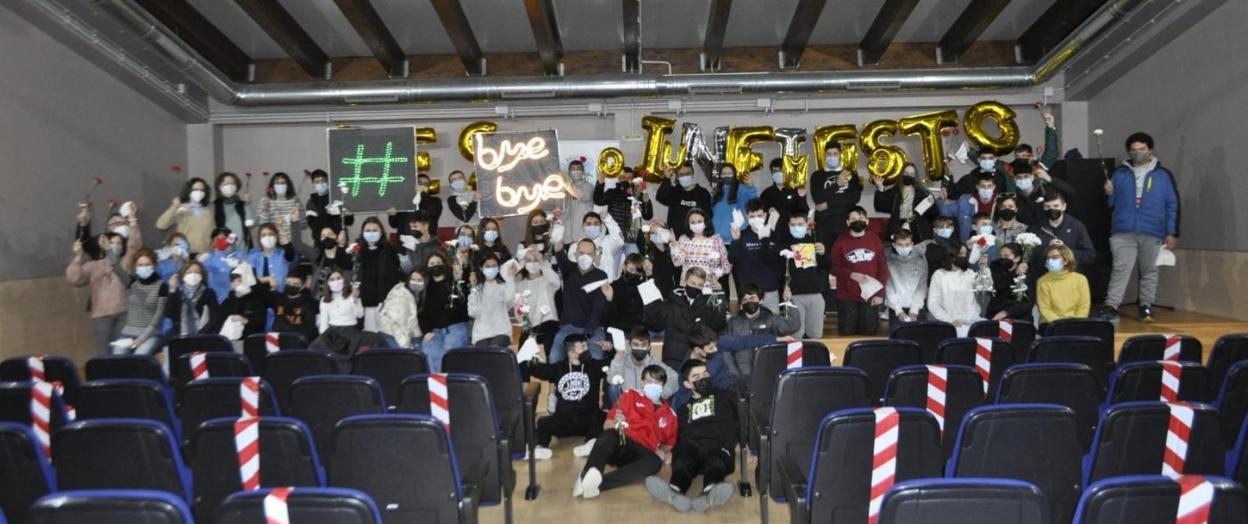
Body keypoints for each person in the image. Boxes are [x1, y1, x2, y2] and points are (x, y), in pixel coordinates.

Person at [1100, 132, 1180, 323]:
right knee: (1120, 270)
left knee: (1150, 271)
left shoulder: (1163, 175)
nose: (1138, 153)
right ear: (1128, 151)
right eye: (1134, 150)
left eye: (1142, 149)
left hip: (1152, 231)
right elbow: (1110, 204)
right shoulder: (1119, 174)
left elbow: (1172, 204)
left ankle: (1146, 306)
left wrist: (1171, 232)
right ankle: (1111, 305)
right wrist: (1108, 192)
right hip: (1122, 231)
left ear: (1150, 150)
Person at [646, 359, 737, 513]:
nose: (703, 378)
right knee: (683, 461)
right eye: (696, 377)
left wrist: (747, 447)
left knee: (715, 461)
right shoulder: (682, 409)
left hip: (718, 442)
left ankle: (710, 491)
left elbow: (743, 419)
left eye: (705, 373)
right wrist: (670, 451)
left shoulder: (726, 396)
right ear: (687, 384)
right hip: (691, 444)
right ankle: (675, 490)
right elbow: (675, 434)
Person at [575, 365, 677, 500]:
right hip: (622, 441)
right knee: (609, 435)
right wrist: (617, 423)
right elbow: (607, 425)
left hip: (641, 454)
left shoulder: (670, 415)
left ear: (663, 385)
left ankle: (599, 484)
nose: (652, 385)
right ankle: (586, 474)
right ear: (642, 382)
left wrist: (663, 451)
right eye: (648, 381)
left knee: (655, 462)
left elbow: (668, 444)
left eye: (657, 382)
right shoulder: (630, 395)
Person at [67, 206, 143, 354]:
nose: (116, 246)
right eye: (112, 243)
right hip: (101, 314)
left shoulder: (126, 261)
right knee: (103, 352)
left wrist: (133, 220)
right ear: (103, 243)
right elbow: (74, 278)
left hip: (124, 313)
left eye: (119, 243)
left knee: (122, 352)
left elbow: (135, 245)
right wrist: (77, 256)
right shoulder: (94, 265)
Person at [524, 334, 607, 461]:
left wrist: (611, 350)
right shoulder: (558, 368)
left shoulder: (594, 366)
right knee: (543, 422)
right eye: (583, 347)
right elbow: (536, 369)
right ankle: (540, 447)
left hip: (587, 421)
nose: (587, 350)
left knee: (601, 415)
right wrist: (528, 352)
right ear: (572, 353)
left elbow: (613, 366)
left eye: (586, 346)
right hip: (564, 421)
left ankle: (591, 443)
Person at [642, 266, 728, 368]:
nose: (696, 287)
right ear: (684, 281)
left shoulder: (707, 303)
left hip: (698, 359)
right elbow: (655, 325)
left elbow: (719, 325)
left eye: (700, 285)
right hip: (673, 359)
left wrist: (719, 294)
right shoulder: (671, 302)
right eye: (693, 283)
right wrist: (651, 303)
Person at [829, 207, 888, 335]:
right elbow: (833, 268)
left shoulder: (875, 240)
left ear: (867, 221)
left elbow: (883, 268)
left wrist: (880, 294)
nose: (857, 221)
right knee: (847, 332)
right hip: (846, 296)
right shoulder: (840, 241)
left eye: (861, 218)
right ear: (847, 222)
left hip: (870, 295)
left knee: (869, 331)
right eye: (853, 219)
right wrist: (851, 275)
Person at [721, 284, 801, 378]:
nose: (749, 301)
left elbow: (793, 326)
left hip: (766, 373)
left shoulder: (771, 319)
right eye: (745, 299)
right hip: (741, 374)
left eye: (752, 298)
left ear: (761, 300)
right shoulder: (733, 322)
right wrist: (733, 373)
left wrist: (789, 301)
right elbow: (725, 350)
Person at [552, 239, 610, 362]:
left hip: (593, 329)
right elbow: (559, 252)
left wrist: (587, 333)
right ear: (576, 254)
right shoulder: (568, 270)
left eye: (589, 254)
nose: (585, 257)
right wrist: (557, 238)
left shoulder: (601, 276)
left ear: (595, 256)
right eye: (582, 253)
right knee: (554, 357)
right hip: (568, 327)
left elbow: (598, 308)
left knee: (596, 358)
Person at [418, 251, 470, 372]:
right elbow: (422, 314)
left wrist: (459, 280)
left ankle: (453, 389)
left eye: (438, 263)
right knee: (431, 358)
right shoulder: (425, 288)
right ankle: (437, 390)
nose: (435, 266)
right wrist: (426, 331)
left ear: (445, 264)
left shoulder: (454, 282)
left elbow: (463, 301)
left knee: (451, 362)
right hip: (434, 332)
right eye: (432, 264)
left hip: (455, 329)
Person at [779, 213, 829, 339]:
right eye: (793, 225)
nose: (796, 227)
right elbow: (780, 271)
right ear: (788, 226)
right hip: (794, 296)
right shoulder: (784, 245)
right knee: (796, 334)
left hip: (815, 294)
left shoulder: (815, 242)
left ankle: (814, 357)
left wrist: (823, 253)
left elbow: (827, 266)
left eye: (800, 224)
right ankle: (796, 358)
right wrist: (784, 288)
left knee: (815, 334)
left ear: (807, 224)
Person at [729, 199, 783, 310]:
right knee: (748, 325)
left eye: (759, 215)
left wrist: (765, 239)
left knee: (772, 324)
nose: (756, 219)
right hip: (749, 292)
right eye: (752, 216)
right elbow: (732, 259)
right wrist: (736, 240)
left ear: (765, 215)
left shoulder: (774, 236)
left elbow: (775, 261)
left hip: (770, 290)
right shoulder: (741, 235)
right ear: (747, 217)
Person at [606, 326, 679, 407]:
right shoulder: (622, 359)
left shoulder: (653, 362)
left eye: (643, 345)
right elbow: (611, 379)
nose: (639, 348)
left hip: (647, 405)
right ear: (630, 346)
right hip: (626, 404)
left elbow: (674, 377)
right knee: (613, 386)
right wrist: (619, 356)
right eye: (636, 344)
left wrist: (662, 393)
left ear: (649, 347)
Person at [1027, 190, 1096, 276]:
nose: (1052, 209)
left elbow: (1089, 256)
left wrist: (1064, 251)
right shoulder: (1036, 228)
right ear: (1043, 208)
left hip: (1071, 278)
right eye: (1047, 206)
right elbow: (1029, 258)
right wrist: (1047, 249)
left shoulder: (1077, 226)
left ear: (1064, 206)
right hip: (1045, 279)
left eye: (1056, 206)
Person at [114, 249, 168, 355]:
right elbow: (117, 268)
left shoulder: (162, 286)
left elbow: (158, 316)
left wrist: (141, 339)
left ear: (154, 265)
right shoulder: (132, 282)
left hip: (151, 335)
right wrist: (108, 250)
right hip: (127, 334)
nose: (144, 267)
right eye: (140, 265)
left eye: (147, 264)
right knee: (117, 360)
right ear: (135, 266)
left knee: (140, 358)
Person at [810, 141, 863, 248]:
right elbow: (818, 198)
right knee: (824, 257)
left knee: (846, 255)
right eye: (829, 154)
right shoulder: (817, 175)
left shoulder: (851, 174)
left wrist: (828, 204)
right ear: (825, 155)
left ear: (840, 155)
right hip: (823, 225)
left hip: (845, 223)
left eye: (835, 154)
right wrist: (836, 184)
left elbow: (854, 198)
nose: (832, 156)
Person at [668, 325, 733, 410]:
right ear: (698, 350)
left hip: (727, 389)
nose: (716, 350)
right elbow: (680, 401)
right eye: (710, 348)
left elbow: (743, 341)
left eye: (715, 345)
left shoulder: (710, 344)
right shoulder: (686, 371)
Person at [511, 246, 560, 357]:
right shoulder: (520, 285)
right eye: (529, 260)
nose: (533, 263)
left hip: (548, 323)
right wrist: (527, 326)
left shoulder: (547, 280)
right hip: (530, 327)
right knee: (523, 355)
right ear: (524, 263)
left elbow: (556, 282)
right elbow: (518, 310)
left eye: (535, 260)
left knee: (550, 347)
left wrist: (542, 261)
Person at [354, 217, 401, 331]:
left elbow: (395, 275)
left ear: (381, 232)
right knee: (368, 338)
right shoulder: (357, 250)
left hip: (384, 302)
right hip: (364, 302)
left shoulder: (390, 249)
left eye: (375, 230)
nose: (371, 233)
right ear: (362, 232)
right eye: (368, 231)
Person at [873, 162, 939, 241]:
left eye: (912, 174)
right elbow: (881, 206)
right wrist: (880, 188)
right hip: (899, 227)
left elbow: (933, 215)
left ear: (915, 176)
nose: (909, 176)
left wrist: (931, 205)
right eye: (906, 173)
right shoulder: (894, 192)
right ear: (901, 174)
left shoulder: (924, 193)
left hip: (920, 230)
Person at [594, 167, 653, 254]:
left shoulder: (638, 194)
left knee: (634, 265)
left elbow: (648, 216)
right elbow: (598, 201)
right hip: (614, 238)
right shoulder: (612, 192)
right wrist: (600, 184)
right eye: (624, 177)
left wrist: (646, 202)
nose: (626, 180)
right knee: (612, 266)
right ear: (619, 178)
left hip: (633, 239)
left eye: (629, 178)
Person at [927, 244, 982, 337]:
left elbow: (983, 285)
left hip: (973, 319)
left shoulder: (969, 273)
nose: (964, 257)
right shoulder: (939, 275)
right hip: (953, 322)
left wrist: (984, 266)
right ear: (951, 256)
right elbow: (933, 304)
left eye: (965, 254)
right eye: (960, 254)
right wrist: (950, 320)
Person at [312, 270, 366, 359]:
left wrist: (355, 299)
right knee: (314, 349)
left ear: (344, 280)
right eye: (332, 279)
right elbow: (323, 323)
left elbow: (360, 315)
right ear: (328, 283)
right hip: (332, 332)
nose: (335, 281)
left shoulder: (351, 296)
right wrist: (323, 338)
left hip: (351, 332)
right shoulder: (324, 300)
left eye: (338, 278)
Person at [671, 208, 731, 289]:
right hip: (687, 285)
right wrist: (674, 243)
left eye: (699, 221)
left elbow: (726, 264)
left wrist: (716, 274)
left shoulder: (716, 240)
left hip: (707, 285)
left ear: (705, 222)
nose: (696, 224)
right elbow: (677, 262)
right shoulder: (684, 239)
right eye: (692, 222)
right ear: (688, 224)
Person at [467, 253, 515, 346]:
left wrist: (510, 278)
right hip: (481, 335)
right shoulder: (477, 288)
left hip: (502, 332)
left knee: (494, 349)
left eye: (494, 266)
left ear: (498, 268)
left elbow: (509, 302)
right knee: (484, 356)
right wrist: (473, 288)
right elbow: (473, 312)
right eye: (488, 266)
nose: (491, 269)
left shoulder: (503, 286)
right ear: (481, 268)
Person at [156, 177, 214, 254]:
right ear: (188, 191)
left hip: (204, 256)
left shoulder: (208, 212)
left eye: (202, 190)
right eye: (195, 190)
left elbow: (213, 235)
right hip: (185, 255)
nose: (199, 192)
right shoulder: (181, 209)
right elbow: (161, 225)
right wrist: (174, 206)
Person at [1037, 244, 1091, 327]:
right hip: (1050, 323)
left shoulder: (1080, 279)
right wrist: (1060, 324)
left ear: (1066, 260)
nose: (1051, 260)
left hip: (1076, 323)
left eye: (1055, 257)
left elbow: (1083, 307)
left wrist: (1075, 323)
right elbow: (1045, 309)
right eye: (1048, 258)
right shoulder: (1042, 281)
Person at [656, 161, 713, 238]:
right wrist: (667, 178)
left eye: (687, 173)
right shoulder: (674, 191)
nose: (684, 176)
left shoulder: (703, 193)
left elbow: (708, 216)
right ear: (677, 177)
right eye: (681, 174)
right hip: (675, 239)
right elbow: (660, 197)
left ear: (692, 175)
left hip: (696, 239)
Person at [1010, 160, 1075, 226]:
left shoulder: (1045, 191)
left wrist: (1050, 179)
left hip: (1048, 230)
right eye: (1019, 177)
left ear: (1032, 177)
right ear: (1014, 180)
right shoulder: (1014, 198)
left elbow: (1070, 192)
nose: (1022, 180)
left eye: (1026, 176)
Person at [709, 164, 757, 253]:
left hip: (736, 238)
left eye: (729, 173)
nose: (726, 175)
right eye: (724, 173)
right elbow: (713, 213)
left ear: (734, 174)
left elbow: (753, 200)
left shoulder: (742, 188)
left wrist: (751, 186)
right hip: (718, 240)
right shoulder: (716, 192)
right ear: (720, 176)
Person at [939, 171, 998, 242]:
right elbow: (946, 213)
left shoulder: (1000, 203)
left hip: (991, 245)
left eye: (989, 186)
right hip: (967, 244)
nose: (986, 189)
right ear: (977, 187)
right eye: (983, 186)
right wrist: (944, 200)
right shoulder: (965, 200)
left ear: (994, 187)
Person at [166, 261, 220, 337]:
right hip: (179, 335)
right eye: (189, 272)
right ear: (183, 276)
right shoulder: (177, 293)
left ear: (202, 276)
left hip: (203, 335)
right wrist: (172, 290)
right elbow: (170, 314)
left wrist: (201, 334)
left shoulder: (209, 293)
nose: (193, 275)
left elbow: (214, 318)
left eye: (197, 272)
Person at [885, 229, 928, 323]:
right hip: (896, 308)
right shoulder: (889, 261)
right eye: (900, 245)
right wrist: (898, 311)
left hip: (917, 308)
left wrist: (914, 311)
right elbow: (889, 288)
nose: (904, 247)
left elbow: (921, 287)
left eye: (907, 244)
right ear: (894, 245)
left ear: (912, 244)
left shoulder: (921, 260)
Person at [268, 266, 318, 343]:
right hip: (274, 342)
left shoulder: (311, 304)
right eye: (288, 283)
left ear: (303, 286)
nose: (291, 286)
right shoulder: (278, 298)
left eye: (295, 284)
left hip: (297, 344)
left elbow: (309, 331)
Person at [986, 242, 1034, 322]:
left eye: (1006, 256)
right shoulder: (996, 269)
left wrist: (1007, 312)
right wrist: (1014, 276)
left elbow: (1027, 303)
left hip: (1019, 318)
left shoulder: (1027, 275)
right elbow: (997, 290)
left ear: (1017, 258)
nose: (1002, 258)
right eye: (1001, 256)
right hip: (995, 315)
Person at [571, 212, 625, 279]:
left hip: (607, 285)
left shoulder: (607, 242)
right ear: (583, 226)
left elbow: (620, 240)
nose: (592, 227)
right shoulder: (576, 246)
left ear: (601, 227)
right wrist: (594, 263)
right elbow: (573, 268)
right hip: (584, 285)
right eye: (588, 224)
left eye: (596, 224)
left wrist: (608, 219)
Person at [379, 268, 424, 349]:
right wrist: (406, 346)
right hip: (392, 335)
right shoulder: (401, 296)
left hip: (395, 333)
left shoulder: (414, 295)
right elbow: (397, 322)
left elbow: (412, 322)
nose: (415, 282)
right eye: (413, 279)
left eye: (419, 280)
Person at [759, 157, 809, 226]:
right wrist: (768, 211)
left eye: (781, 171)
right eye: (775, 171)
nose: (778, 173)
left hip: (792, 229)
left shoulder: (795, 190)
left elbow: (805, 212)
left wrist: (802, 198)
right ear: (771, 173)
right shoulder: (766, 193)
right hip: (774, 232)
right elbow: (760, 215)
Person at [256, 172, 304, 242]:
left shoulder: (295, 201)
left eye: (283, 183)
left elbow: (304, 224)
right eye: (277, 183)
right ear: (272, 186)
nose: (280, 185)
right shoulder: (265, 201)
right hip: (272, 243)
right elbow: (261, 225)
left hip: (292, 243)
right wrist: (265, 212)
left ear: (288, 185)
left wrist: (297, 217)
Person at [304, 169, 354, 235]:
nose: (320, 183)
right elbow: (313, 225)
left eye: (323, 180)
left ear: (328, 181)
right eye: (317, 181)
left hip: (339, 238)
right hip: (321, 241)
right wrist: (329, 214)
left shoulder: (336, 198)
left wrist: (349, 215)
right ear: (313, 184)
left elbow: (349, 221)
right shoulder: (311, 203)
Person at [213, 172, 254, 251]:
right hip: (223, 251)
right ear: (219, 187)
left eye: (232, 183)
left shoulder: (242, 205)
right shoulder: (215, 205)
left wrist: (247, 205)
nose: (229, 186)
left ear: (236, 186)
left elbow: (251, 224)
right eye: (226, 184)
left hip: (243, 250)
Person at [606, 254, 647, 333]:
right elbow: (609, 316)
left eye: (637, 272)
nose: (634, 273)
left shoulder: (644, 288)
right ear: (624, 266)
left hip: (638, 331)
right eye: (631, 269)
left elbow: (644, 315)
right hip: (617, 329)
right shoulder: (612, 287)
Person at [561, 159, 597, 243]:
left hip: (583, 232)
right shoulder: (566, 189)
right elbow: (564, 210)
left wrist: (566, 183)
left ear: (583, 172)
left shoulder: (588, 186)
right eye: (573, 169)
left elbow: (582, 195)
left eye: (578, 169)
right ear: (569, 173)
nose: (575, 171)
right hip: (568, 234)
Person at [643, 220, 679, 295]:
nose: (656, 233)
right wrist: (651, 226)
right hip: (654, 293)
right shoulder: (647, 251)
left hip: (670, 293)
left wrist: (673, 241)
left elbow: (678, 264)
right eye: (653, 232)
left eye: (659, 231)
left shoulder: (671, 251)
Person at [922, 216, 961, 281]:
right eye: (941, 228)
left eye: (948, 227)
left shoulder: (956, 244)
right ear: (935, 230)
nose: (945, 230)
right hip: (936, 281)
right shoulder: (929, 246)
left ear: (952, 229)